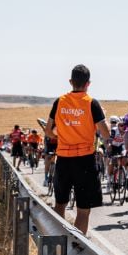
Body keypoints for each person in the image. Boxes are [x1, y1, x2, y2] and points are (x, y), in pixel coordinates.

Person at [44, 64, 113, 234]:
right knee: (83, 209)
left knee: (60, 204)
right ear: (88, 83)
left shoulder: (59, 102)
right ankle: (76, 247)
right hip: (85, 161)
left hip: (63, 160)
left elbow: (48, 131)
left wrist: (62, 135)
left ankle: (57, 243)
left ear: (70, 81)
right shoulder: (92, 104)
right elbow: (105, 133)